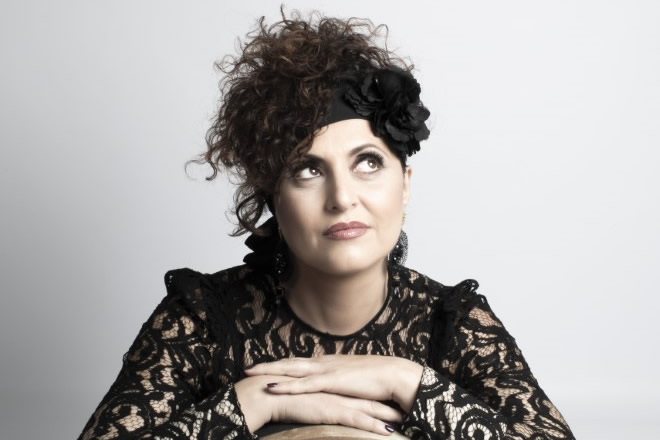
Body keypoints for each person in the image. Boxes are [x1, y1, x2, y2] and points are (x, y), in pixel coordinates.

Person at [77, 10, 575, 440]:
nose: (342, 198)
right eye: (308, 170)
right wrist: (253, 404)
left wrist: (407, 380)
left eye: (368, 163)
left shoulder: (453, 323)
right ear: (273, 197)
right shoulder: (203, 319)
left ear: (405, 184)